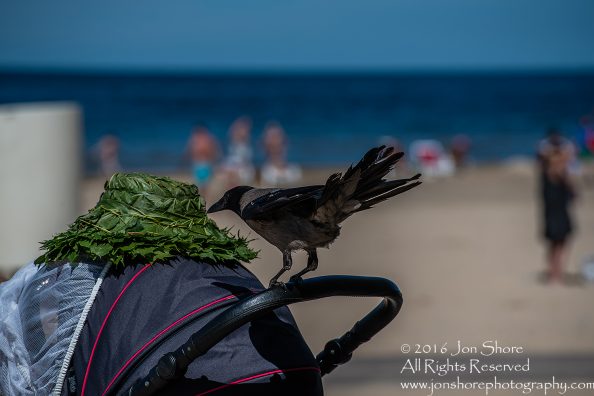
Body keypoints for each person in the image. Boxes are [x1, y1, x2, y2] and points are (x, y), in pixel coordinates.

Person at [540, 143, 577, 284]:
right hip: (553, 214)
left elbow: (574, 196)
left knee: (561, 244)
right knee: (553, 245)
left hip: (561, 214)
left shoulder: (563, 177)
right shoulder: (548, 174)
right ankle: (554, 273)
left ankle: (558, 272)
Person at [261, 122, 302, 186]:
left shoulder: (295, 171)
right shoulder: (266, 174)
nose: (275, 142)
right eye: (272, 137)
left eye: (277, 136)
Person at [222, 116, 256, 186]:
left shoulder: (247, 143)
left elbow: (246, 160)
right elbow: (231, 131)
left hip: (242, 167)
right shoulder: (234, 141)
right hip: (234, 165)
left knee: (234, 172)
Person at [186, 124, 220, 191]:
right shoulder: (195, 139)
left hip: (206, 164)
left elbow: (215, 151)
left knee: (205, 186)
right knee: (199, 186)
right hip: (198, 164)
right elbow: (189, 151)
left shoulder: (208, 138)